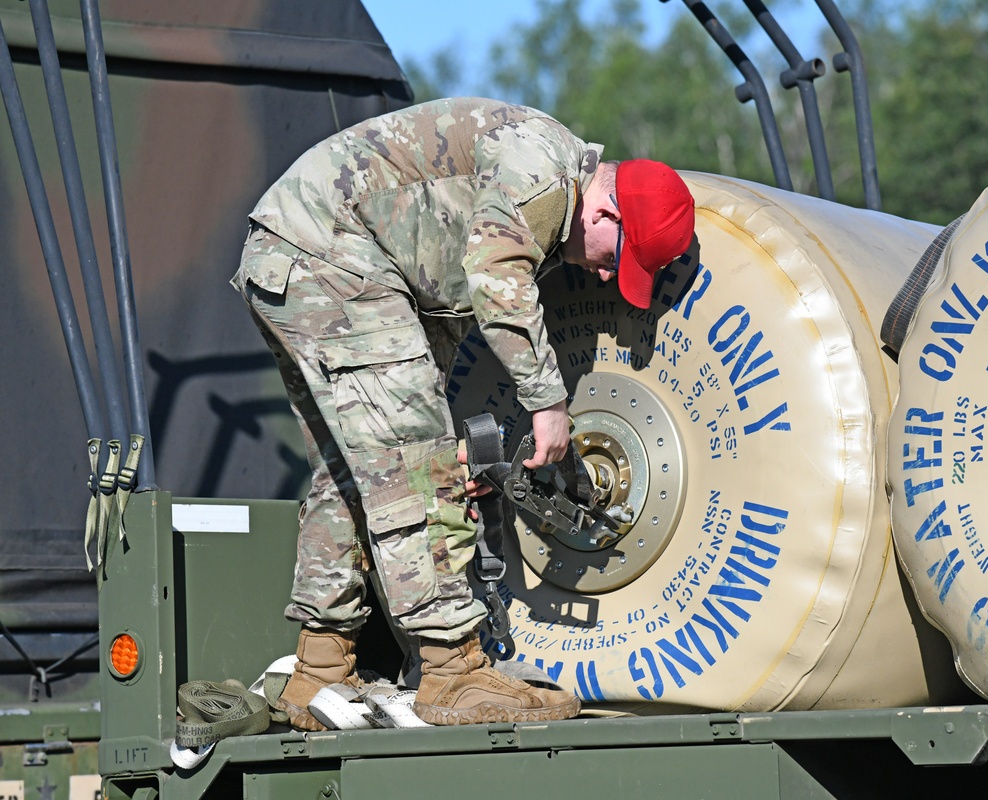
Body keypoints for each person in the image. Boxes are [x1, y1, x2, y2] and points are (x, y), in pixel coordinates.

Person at [231, 97, 695, 728]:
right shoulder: (541, 174)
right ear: (607, 208)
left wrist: (452, 456)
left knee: (355, 472)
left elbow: (442, 305)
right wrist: (547, 402)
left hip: (301, 253)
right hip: (330, 252)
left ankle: (319, 668)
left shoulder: (532, 191)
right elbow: (492, 278)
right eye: (619, 255)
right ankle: (452, 671)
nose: (609, 273)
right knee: (410, 466)